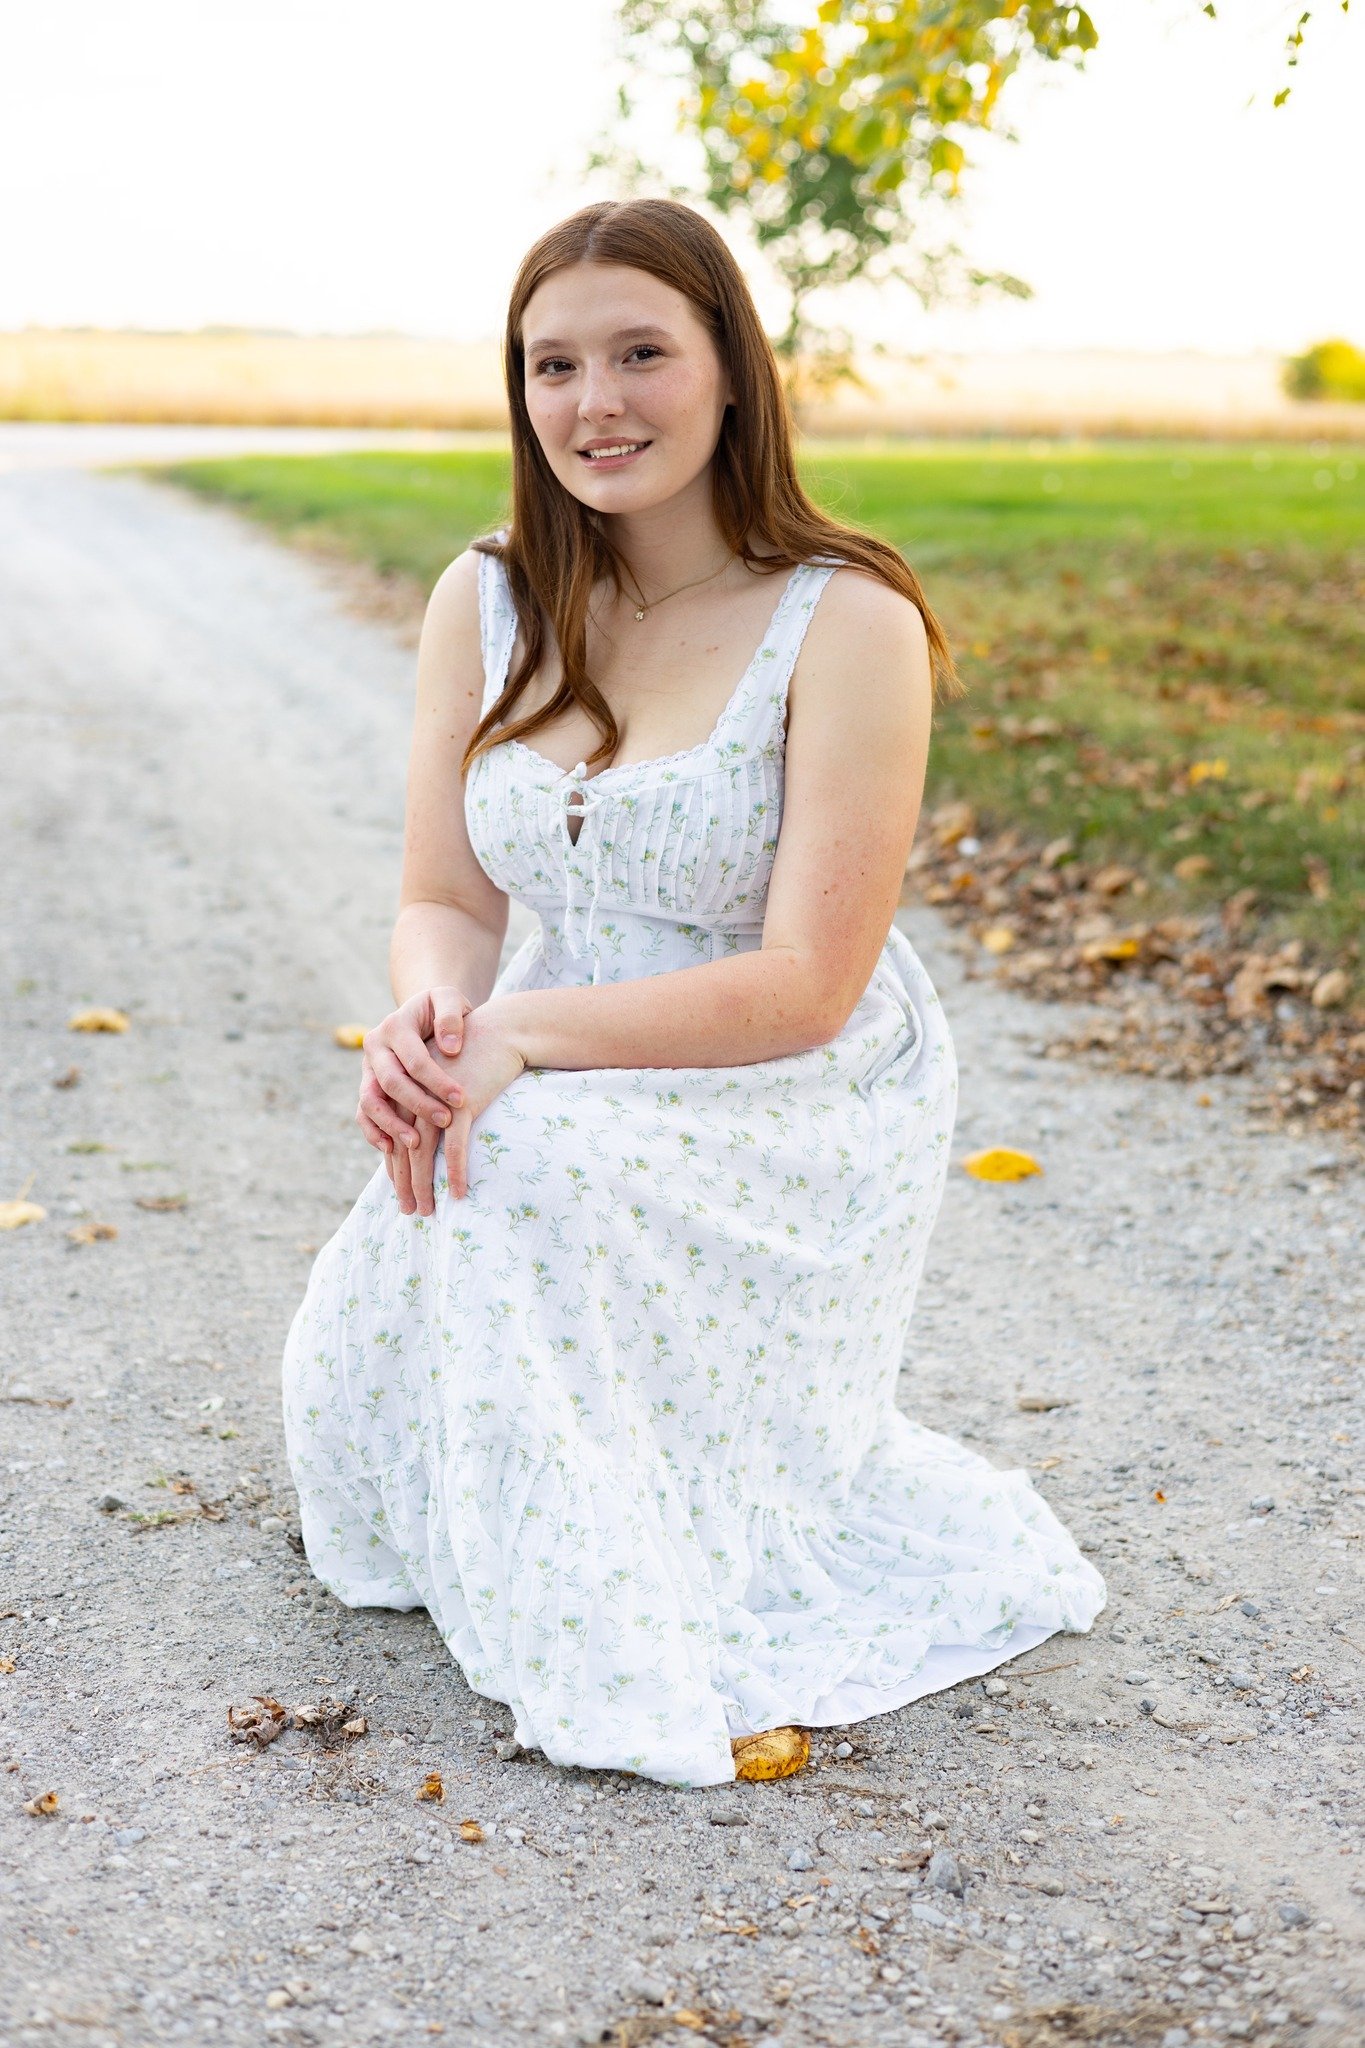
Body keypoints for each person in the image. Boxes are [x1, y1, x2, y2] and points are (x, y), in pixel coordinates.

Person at [280, 197, 1106, 1790]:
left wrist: (517, 1040)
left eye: (641, 354)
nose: (595, 403)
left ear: (731, 367)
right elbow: (446, 898)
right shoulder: (487, 597)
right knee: (383, 1336)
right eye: (553, 365)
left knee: (511, 1165)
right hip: (547, 1050)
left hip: (783, 1088)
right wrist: (436, 1023)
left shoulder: (846, 620)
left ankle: (623, 1549)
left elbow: (807, 986)